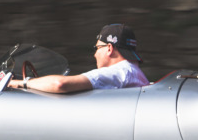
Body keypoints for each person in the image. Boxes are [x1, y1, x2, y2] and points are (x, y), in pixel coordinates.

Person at [12, 23, 150, 93]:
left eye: (97, 48)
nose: (94, 54)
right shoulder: (134, 73)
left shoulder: (118, 72)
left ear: (109, 48)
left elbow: (60, 84)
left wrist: (22, 83)